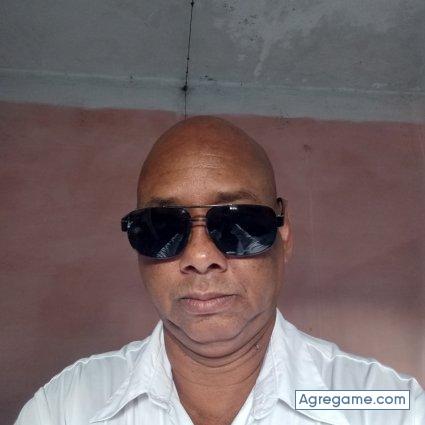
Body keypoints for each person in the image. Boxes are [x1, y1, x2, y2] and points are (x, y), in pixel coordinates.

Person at [15, 116, 424, 425]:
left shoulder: (386, 408)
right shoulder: (67, 409)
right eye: (163, 227)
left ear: (283, 234)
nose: (200, 256)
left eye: (237, 223)